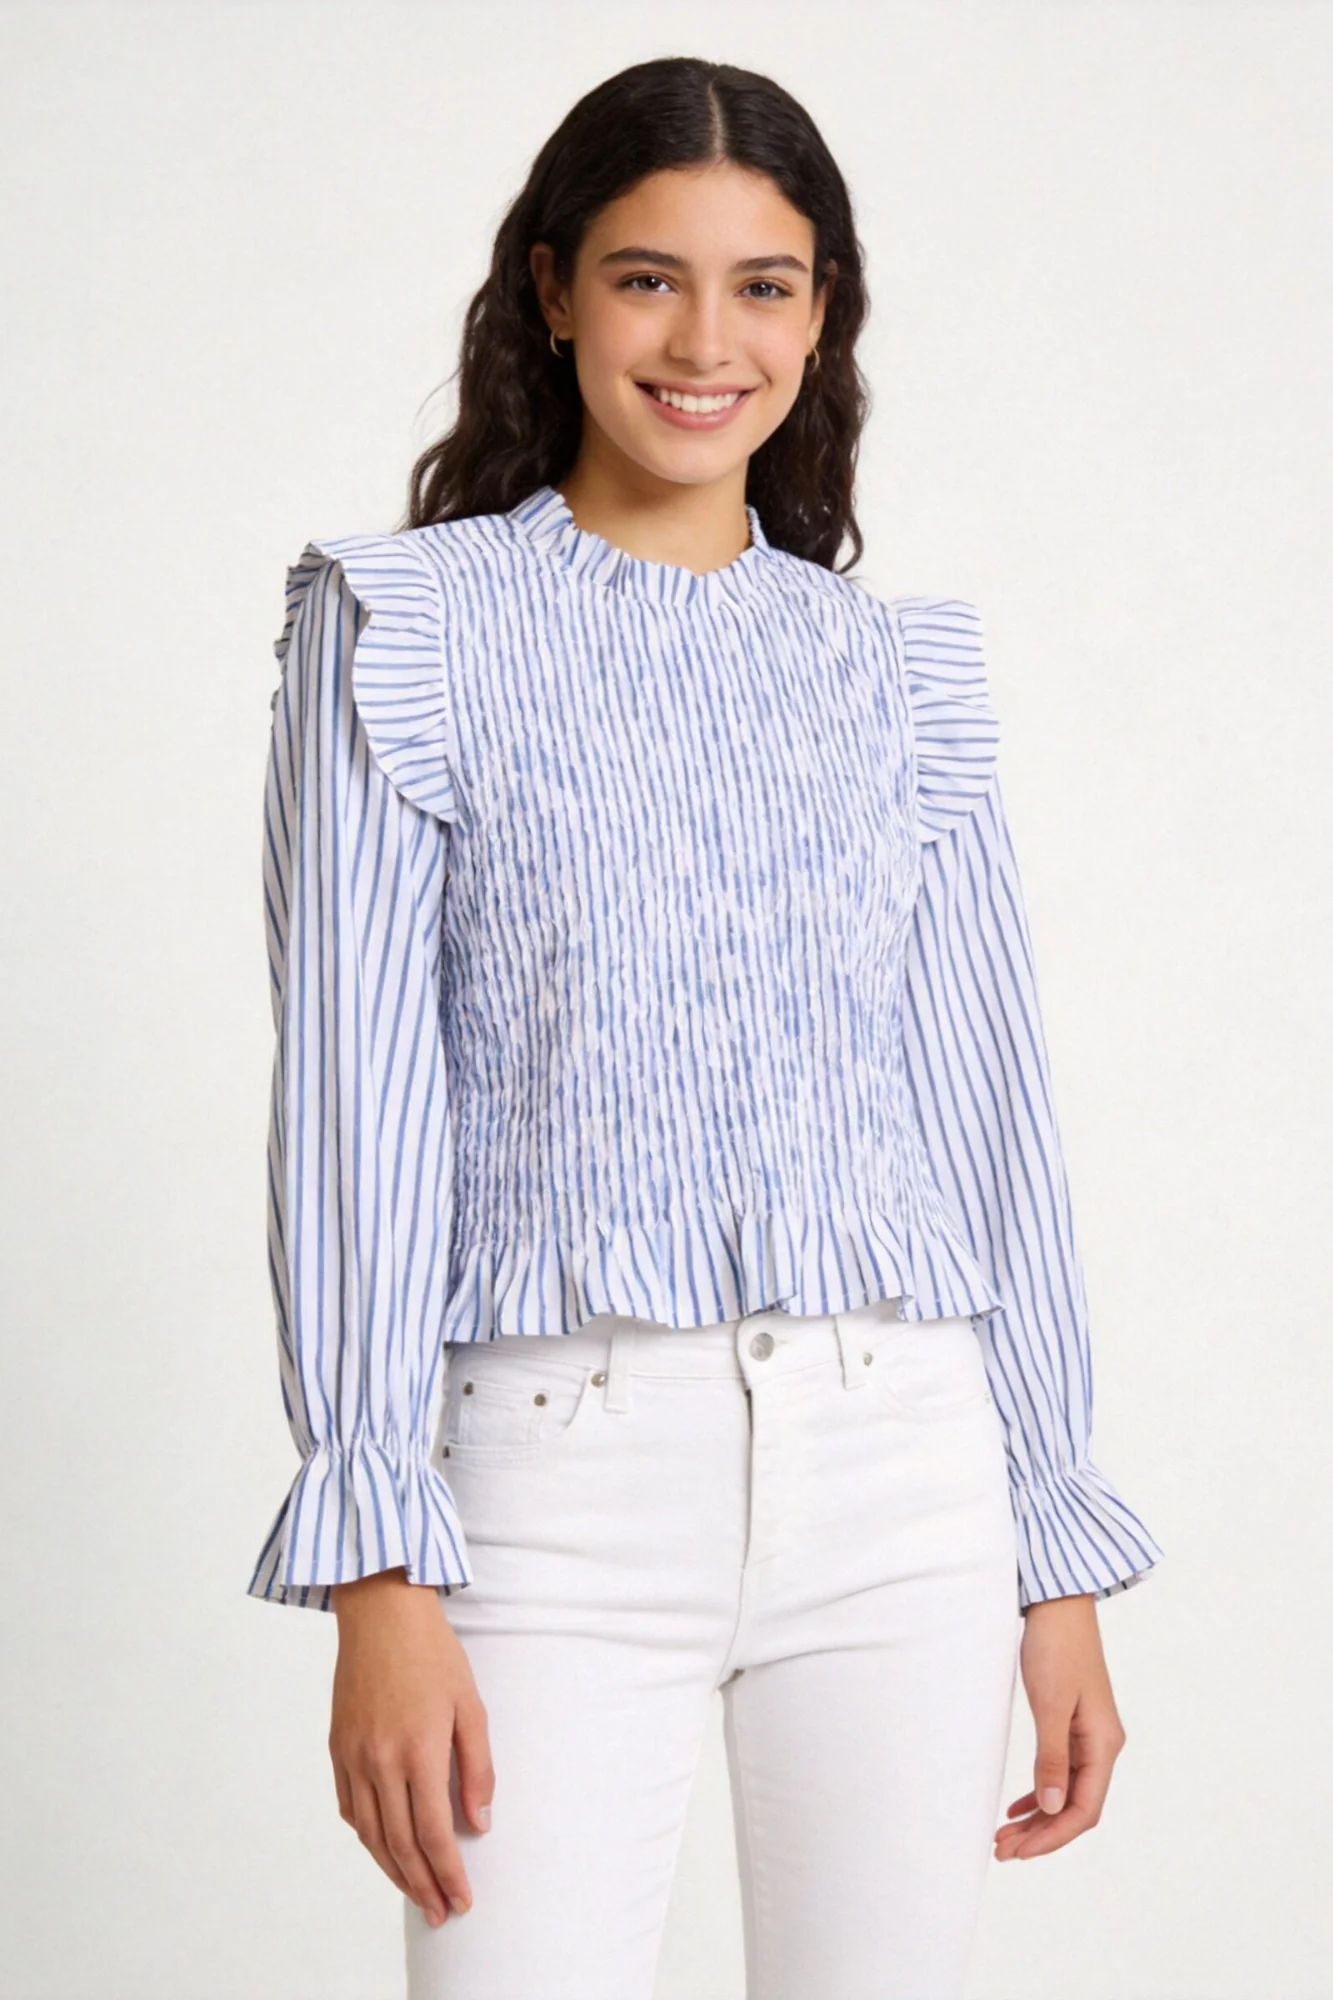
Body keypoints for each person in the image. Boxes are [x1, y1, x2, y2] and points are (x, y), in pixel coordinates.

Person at [247, 54, 1164, 2000]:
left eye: (764, 285)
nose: (703, 341)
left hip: (905, 1471)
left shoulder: (890, 670)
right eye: (649, 277)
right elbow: (354, 1104)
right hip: (548, 1488)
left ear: (823, 318)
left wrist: (1056, 1542)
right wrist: (378, 1564)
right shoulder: (407, 628)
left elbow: (987, 1112)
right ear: (554, 290)